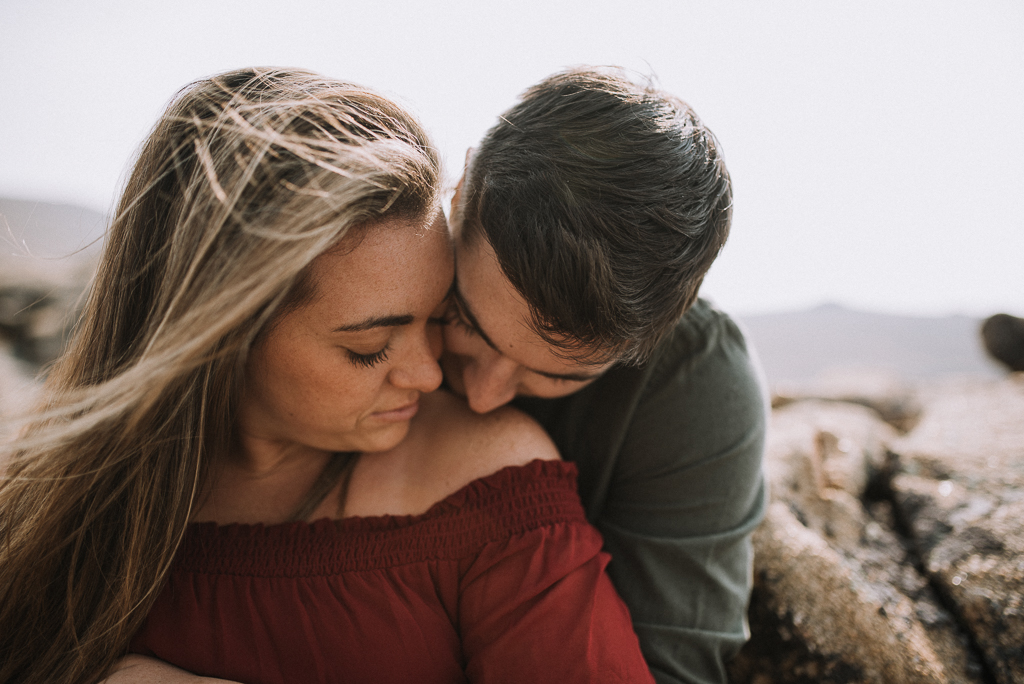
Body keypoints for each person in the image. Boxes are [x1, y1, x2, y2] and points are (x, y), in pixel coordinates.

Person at [0, 68, 654, 684]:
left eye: (438, 316)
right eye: (370, 346)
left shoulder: (491, 486)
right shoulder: (63, 501)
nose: (431, 376)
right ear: (222, 333)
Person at [441, 67, 769, 684]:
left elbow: (670, 666)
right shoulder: (373, 266)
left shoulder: (695, 381)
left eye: (559, 375)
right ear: (458, 197)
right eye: (463, 320)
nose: (483, 398)